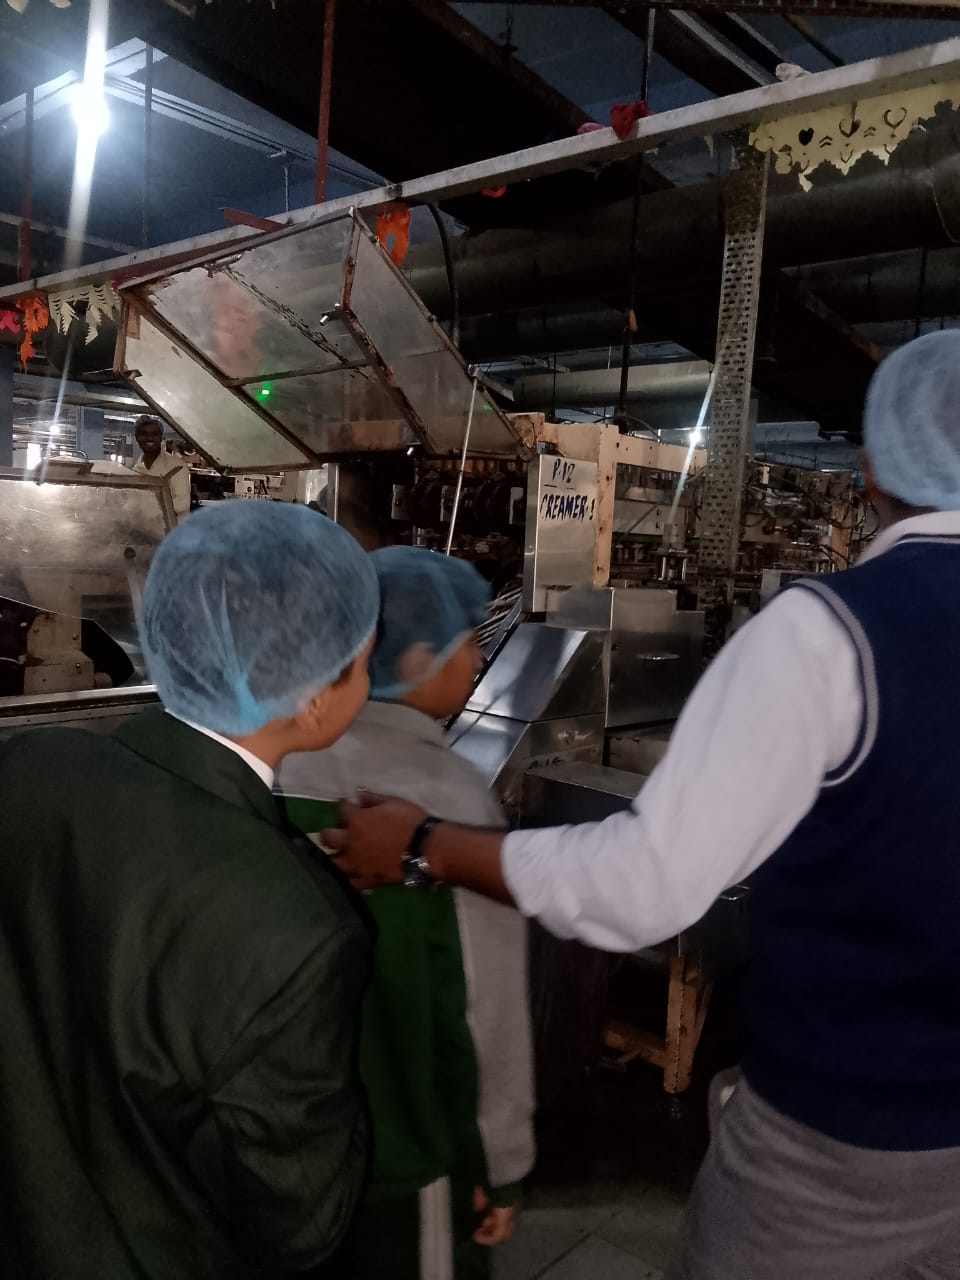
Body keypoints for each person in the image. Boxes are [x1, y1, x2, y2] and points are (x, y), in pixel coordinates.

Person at [324, 329, 960, 1280]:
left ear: (869, 469)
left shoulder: (827, 635)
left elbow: (645, 887)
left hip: (842, 1141)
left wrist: (426, 846)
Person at [0, 501, 381, 1280]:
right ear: (314, 700)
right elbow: (301, 1220)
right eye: (362, 660)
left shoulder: (30, 767)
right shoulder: (298, 929)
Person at [279, 546, 535, 1280]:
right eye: (467, 642)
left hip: (277, 1149)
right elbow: (484, 1012)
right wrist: (502, 1163)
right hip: (405, 1158)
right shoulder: (451, 806)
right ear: (418, 658)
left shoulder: (279, 768)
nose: (477, 659)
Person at [133, 414, 192, 519]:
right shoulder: (136, 469)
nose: (149, 438)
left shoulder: (176, 465)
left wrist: (154, 514)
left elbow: (183, 503)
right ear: (137, 437)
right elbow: (132, 503)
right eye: (144, 434)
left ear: (161, 437)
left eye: (155, 434)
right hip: (146, 527)